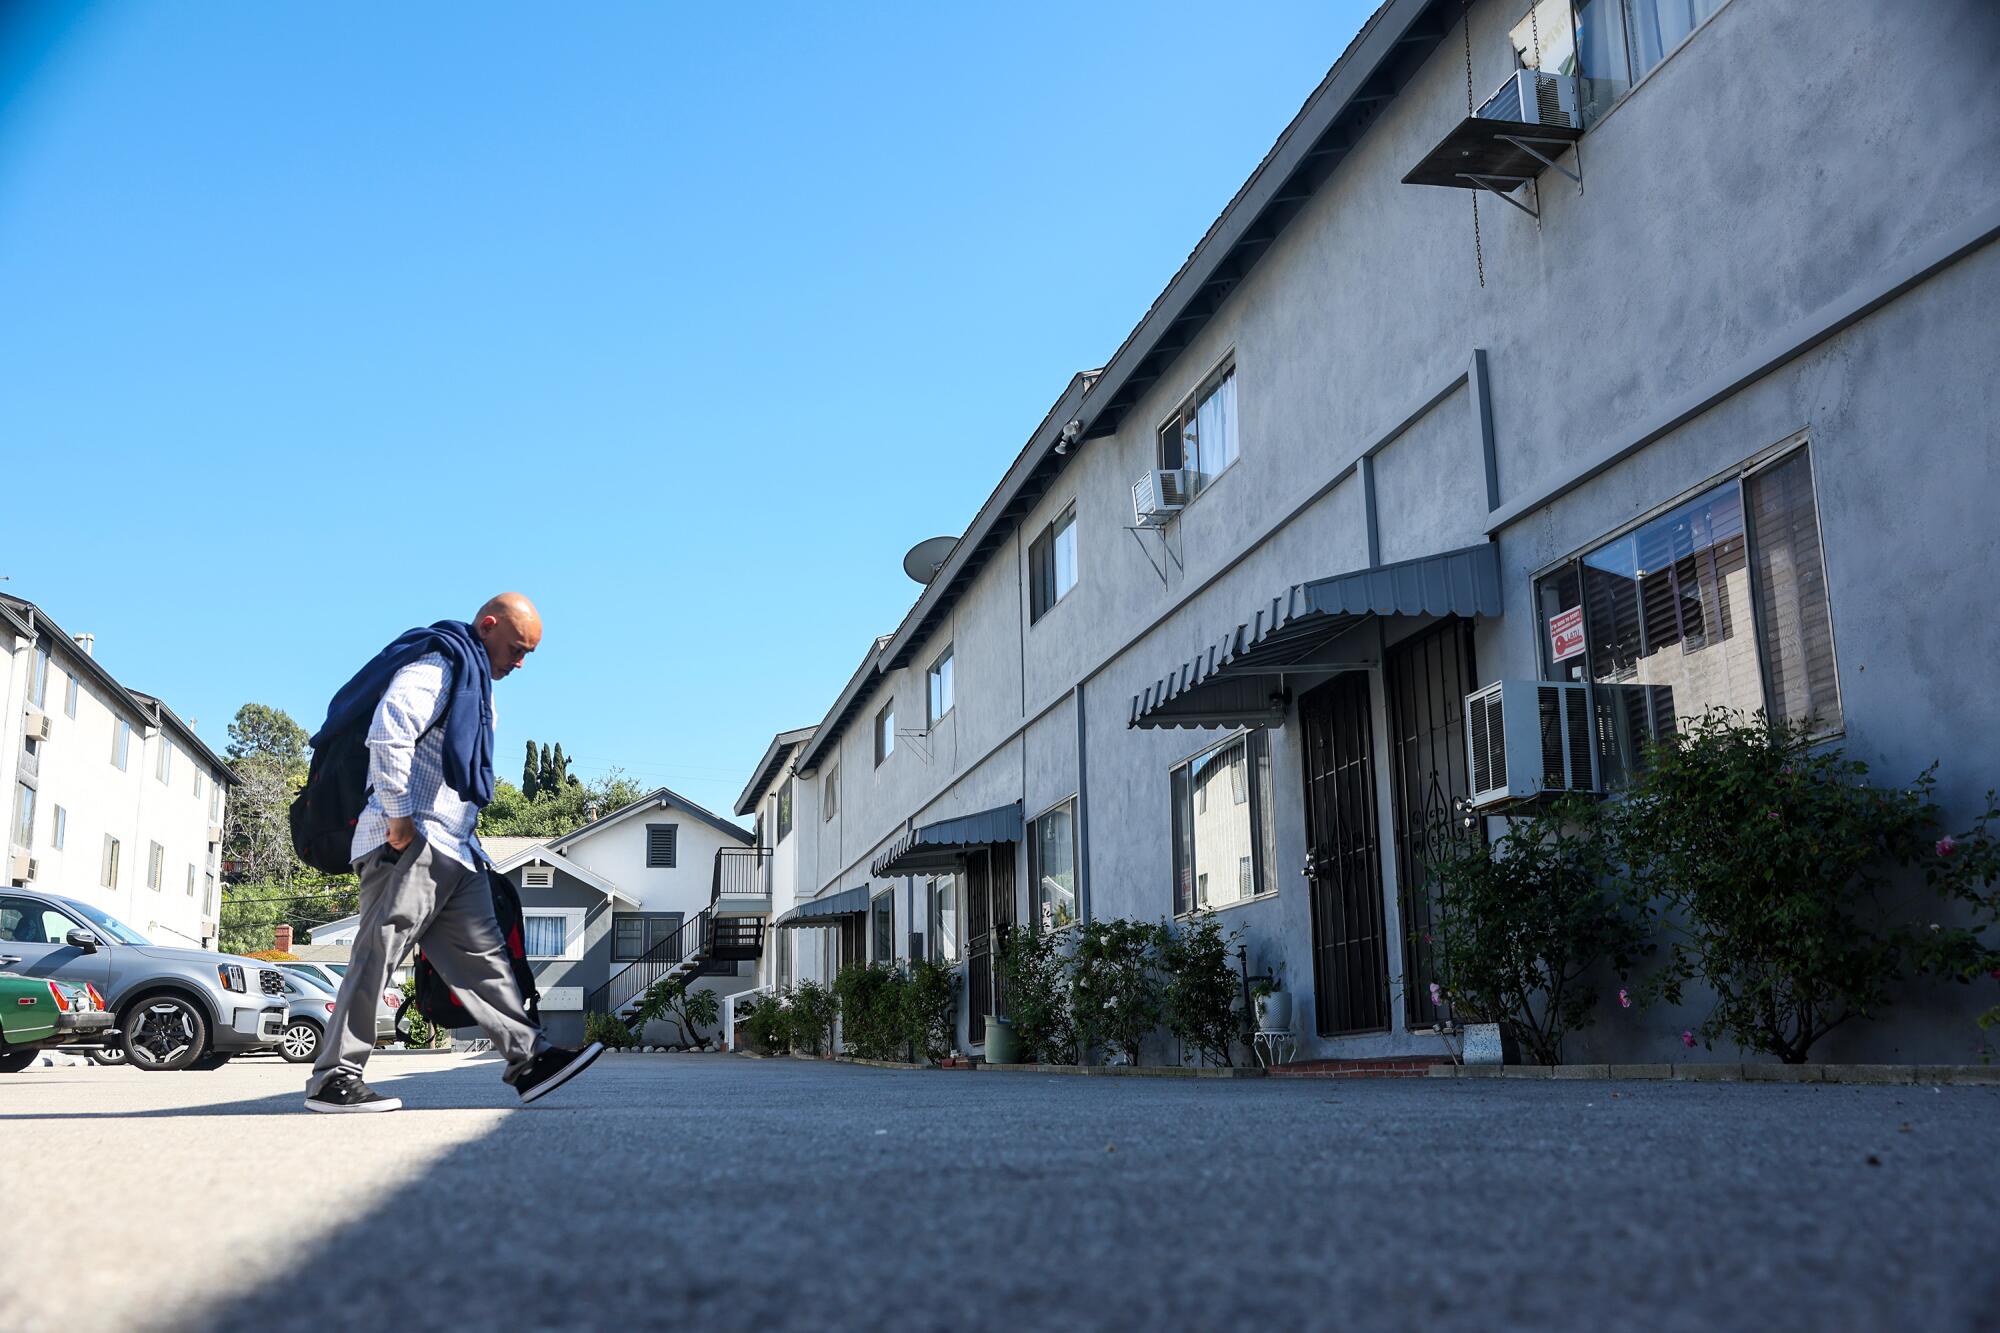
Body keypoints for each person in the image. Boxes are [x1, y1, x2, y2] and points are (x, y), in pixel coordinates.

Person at [303, 593, 602, 1113]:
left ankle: (528, 1058)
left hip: (455, 849)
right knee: (379, 953)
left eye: (528, 652)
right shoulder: (440, 663)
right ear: (487, 626)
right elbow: (390, 726)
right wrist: (399, 817)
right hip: (411, 840)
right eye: (515, 648)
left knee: (485, 962)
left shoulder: (475, 682)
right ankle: (335, 1075)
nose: (520, 662)